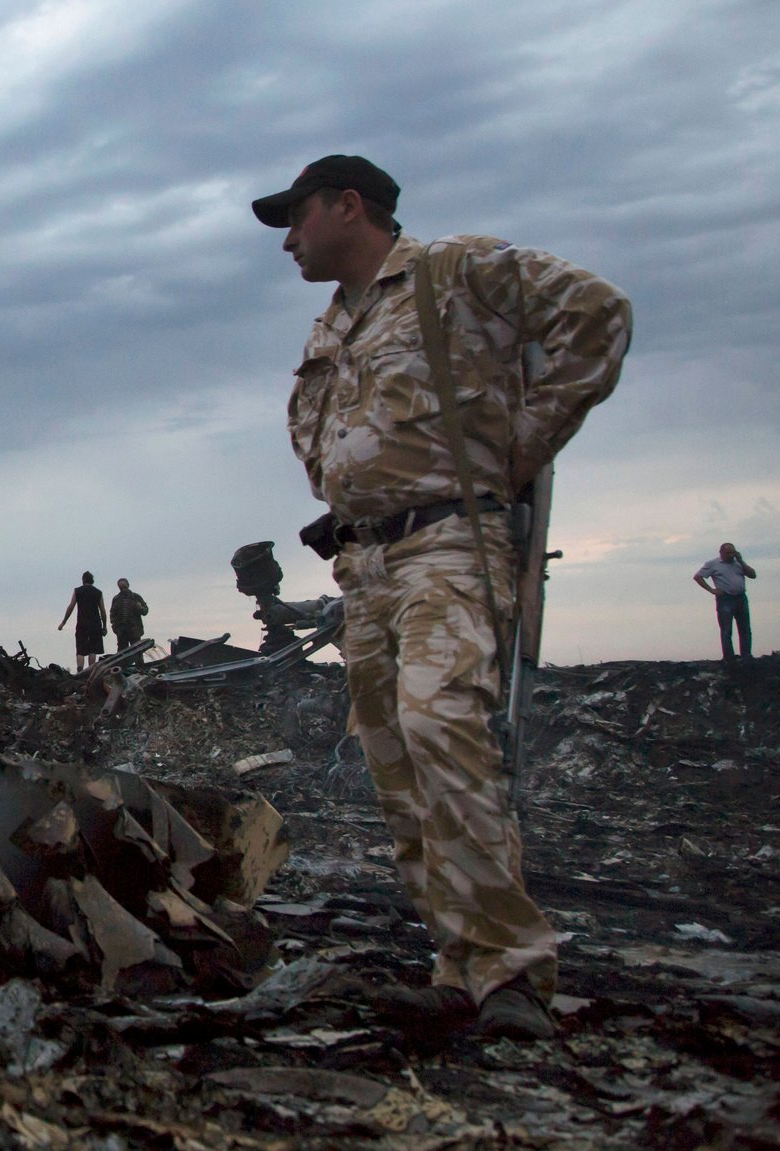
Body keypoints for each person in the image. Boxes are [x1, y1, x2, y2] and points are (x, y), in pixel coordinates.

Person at [255, 155, 632, 1041]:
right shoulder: (332, 326)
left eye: (298, 215)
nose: (288, 236)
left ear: (350, 206)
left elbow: (598, 316)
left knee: (444, 731)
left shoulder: (455, 271)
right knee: (398, 765)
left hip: (448, 547)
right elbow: (326, 438)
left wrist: (518, 448)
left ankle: (511, 973)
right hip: (368, 567)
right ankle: (459, 966)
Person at [693, 543, 757, 661]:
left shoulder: (738, 563)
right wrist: (712, 590)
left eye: (733, 552)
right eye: (728, 553)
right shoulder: (713, 564)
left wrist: (741, 561)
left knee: (745, 629)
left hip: (741, 598)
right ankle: (729, 657)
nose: (731, 555)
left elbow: (753, 575)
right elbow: (698, 577)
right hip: (725, 599)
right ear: (721, 552)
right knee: (726, 630)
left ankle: (746, 655)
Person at [57, 572, 105, 672]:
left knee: (80, 649)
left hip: (82, 623)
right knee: (93, 649)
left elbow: (71, 607)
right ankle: (91, 670)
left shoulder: (77, 591)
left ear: (83, 580)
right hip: (95, 623)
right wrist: (104, 626)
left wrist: (63, 622)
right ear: (92, 580)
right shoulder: (98, 592)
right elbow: (103, 611)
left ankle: (80, 669)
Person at [110, 578, 149, 665]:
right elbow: (112, 614)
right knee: (122, 653)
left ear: (128, 585)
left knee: (137, 651)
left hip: (134, 629)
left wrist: (140, 608)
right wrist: (114, 627)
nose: (124, 589)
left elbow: (145, 611)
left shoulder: (136, 597)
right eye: (121, 587)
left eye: (124, 586)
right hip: (121, 631)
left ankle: (140, 669)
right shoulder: (116, 599)